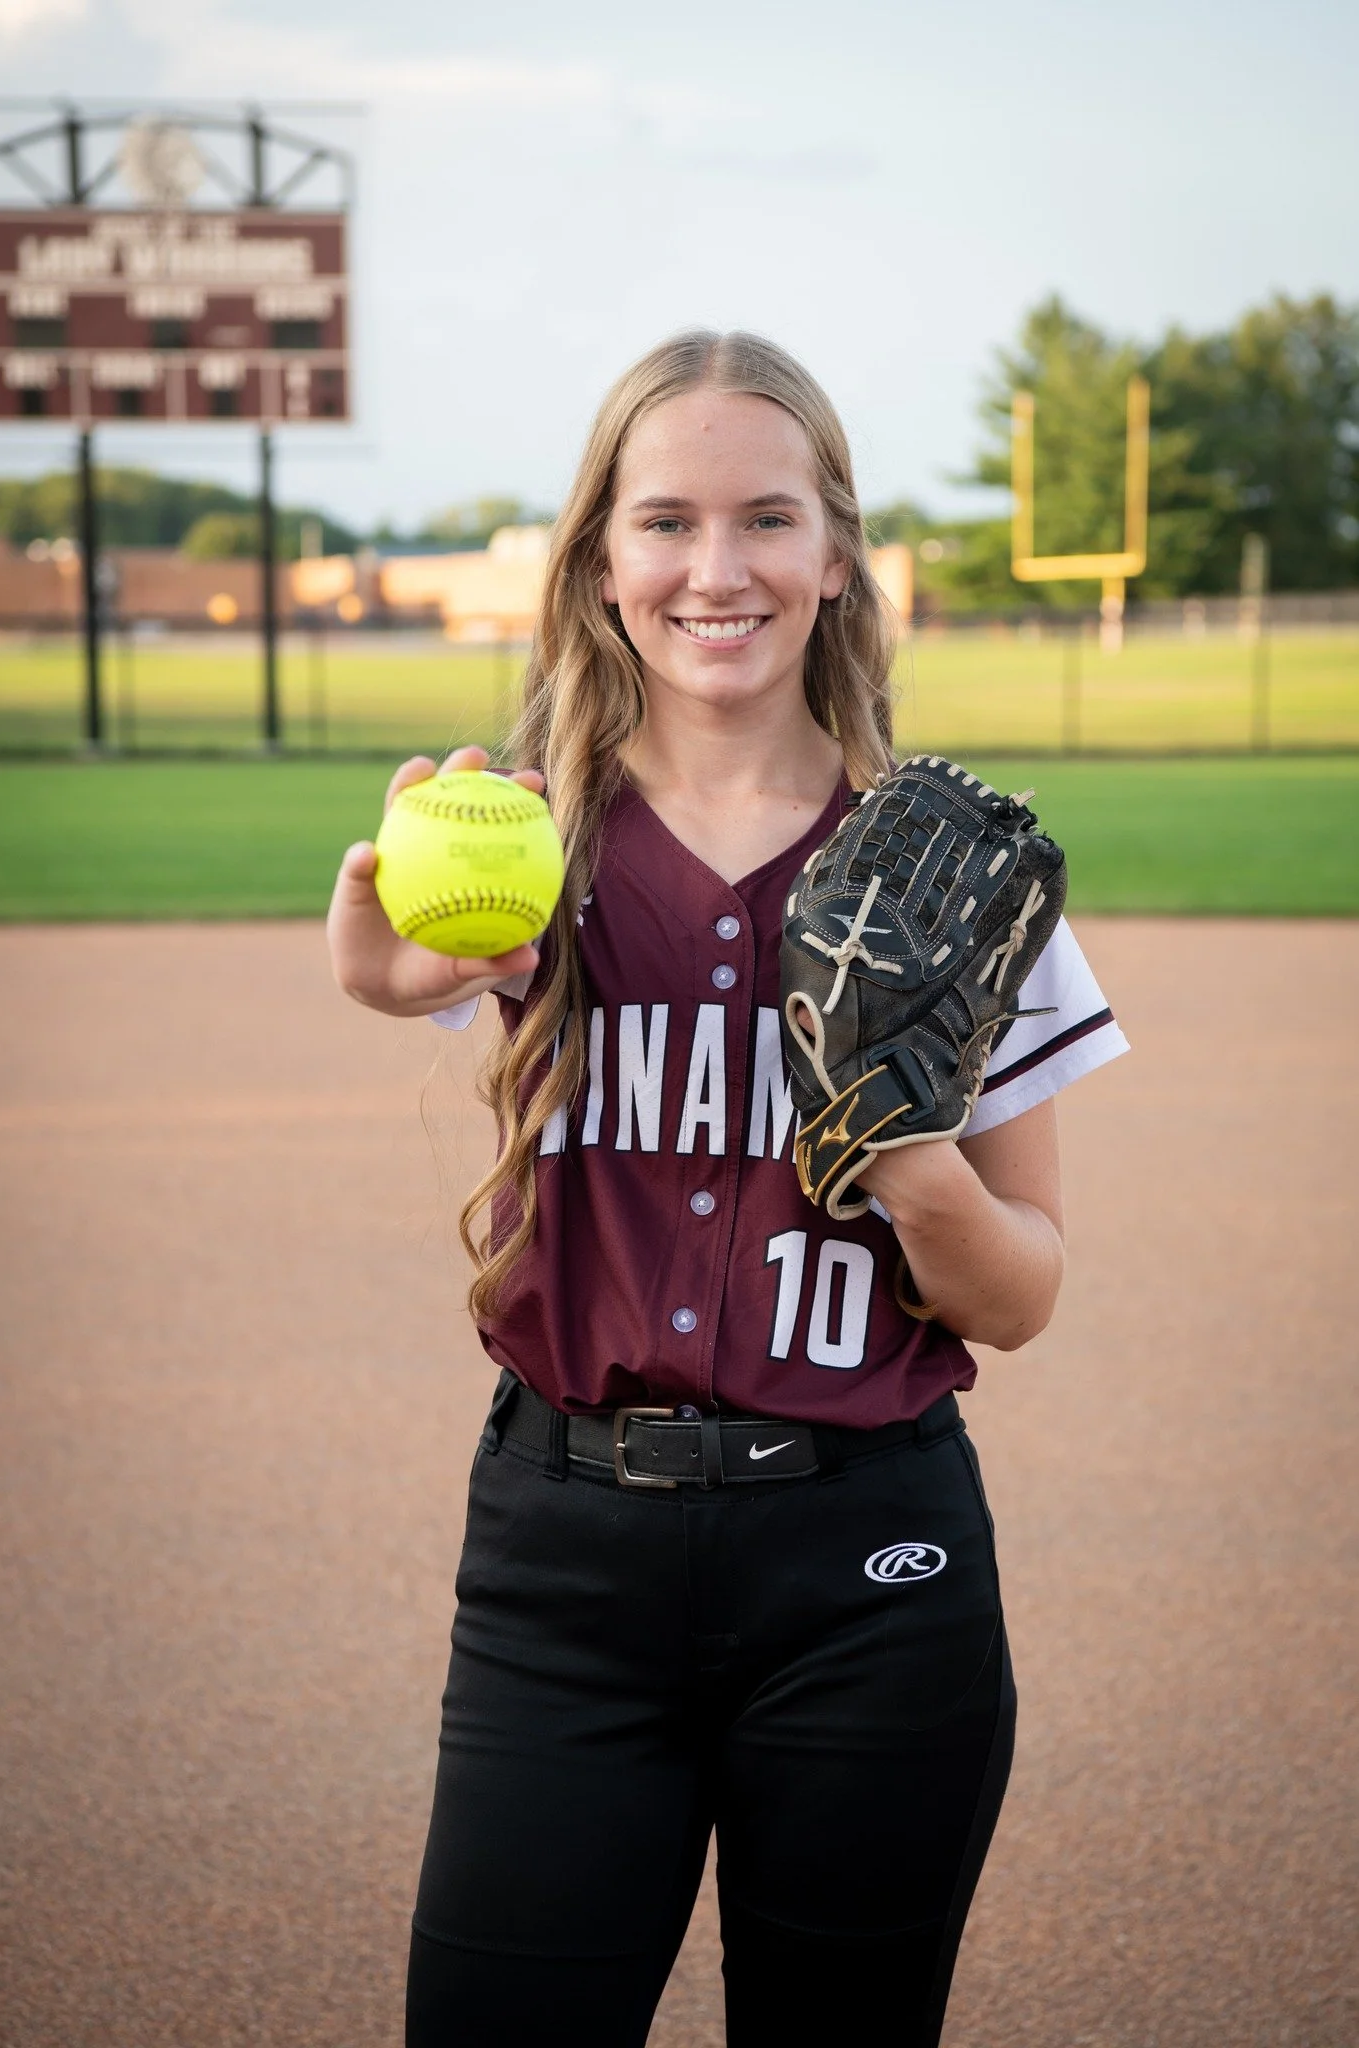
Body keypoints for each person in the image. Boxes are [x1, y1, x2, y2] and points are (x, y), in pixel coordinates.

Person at [326, 330, 1127, 2048]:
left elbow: (1023, 1295)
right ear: (601, 562)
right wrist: (394, 980)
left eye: (768, 519)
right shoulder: (520, 841)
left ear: (836, 556)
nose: (718, 568)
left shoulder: (957, 885)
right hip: (562, 1564)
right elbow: (410, 976)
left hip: (871, 1569)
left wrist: (907, 1155)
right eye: (666, 520)